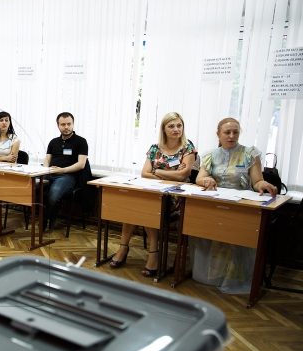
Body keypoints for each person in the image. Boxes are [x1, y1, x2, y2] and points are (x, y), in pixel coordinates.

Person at [190, 117, 277, 294]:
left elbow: (257, 181)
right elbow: (199, 178)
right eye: (227, 132)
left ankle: (232, 278)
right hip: (215, 204)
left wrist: (263, 185)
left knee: (236, 238)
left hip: (240, 206)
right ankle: (211, 275)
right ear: (218, 134)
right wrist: (206, 179)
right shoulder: (210, 155)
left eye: (235, 132)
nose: (231, 136)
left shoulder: (249, 154)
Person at [109, 112, 196, 276]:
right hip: (154, 191)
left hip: (177, 195)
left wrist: (157, 170)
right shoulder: (155, 148)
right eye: (171, 126)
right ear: (164, 129)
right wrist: (168, 174)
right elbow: (144, 173)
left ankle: (152, 253)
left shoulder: (187, 148)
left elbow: (182, 176)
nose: (176, 129)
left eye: (179, 125)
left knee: (148, 205)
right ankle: (124, 247)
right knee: (138, 204)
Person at [41, 112, 88, 230]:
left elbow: (81, 164)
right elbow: (47, 160)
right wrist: (46, 170)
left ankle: (45, 220)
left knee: (53, 195)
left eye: (69, 124)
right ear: (58, 125)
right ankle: (46, 216)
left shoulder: (81, 141)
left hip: (67, 176)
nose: (66, 127)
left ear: (73, 124)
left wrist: (63, 170)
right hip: (50, 173)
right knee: (33, 188)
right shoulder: (53, 142)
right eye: (63, 124)